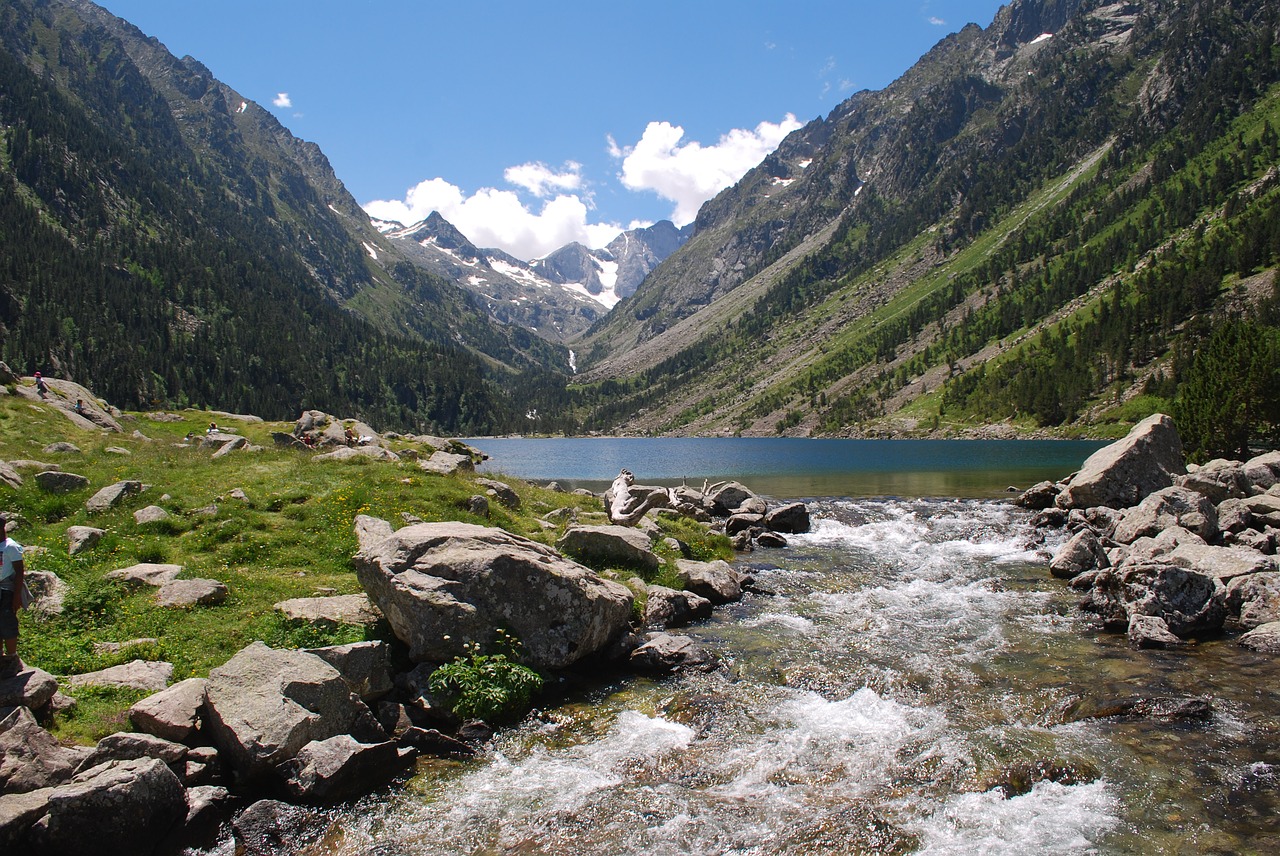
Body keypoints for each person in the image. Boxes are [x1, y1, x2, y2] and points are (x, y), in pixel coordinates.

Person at [0, 515, 25, 676]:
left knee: (7, 623)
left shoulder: (10, 546)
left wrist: (17, 596)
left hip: (6, 590)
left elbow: (19, 572)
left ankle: (13, 659)